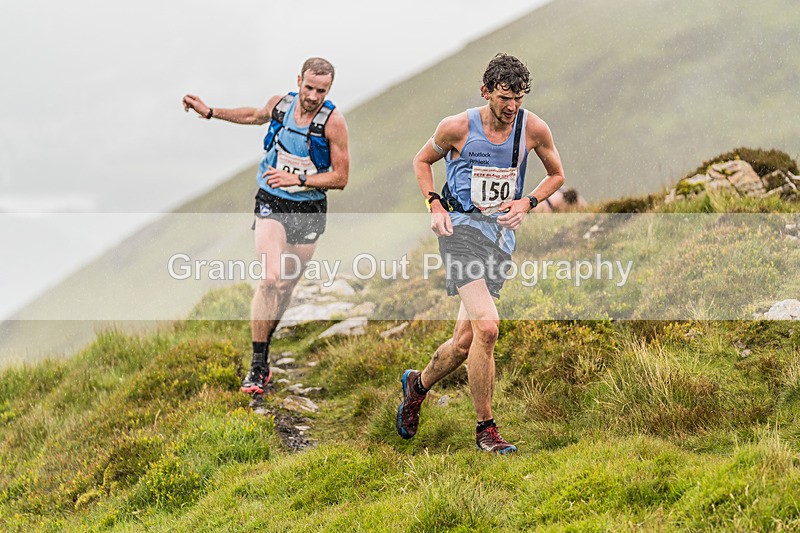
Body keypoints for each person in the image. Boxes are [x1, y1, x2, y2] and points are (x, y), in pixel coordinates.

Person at [397, 53, 565, 454]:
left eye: (519, 99)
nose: (511, 107)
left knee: (464, 340)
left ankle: (416, 385)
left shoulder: (533, 128)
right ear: (486, 91)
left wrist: (528, 202)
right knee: (488, 328)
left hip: (499, 239)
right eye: (504, 97)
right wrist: (434, 204)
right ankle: (486, 430)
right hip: (459, 232)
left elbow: (557, 175)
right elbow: (422, 161)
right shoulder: (457, 127)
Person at [182, 57, 350, 395]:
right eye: (309, 87)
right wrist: (210, 111)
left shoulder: (333, 123)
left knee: (286, 287)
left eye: (322, 90)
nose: (314, 96)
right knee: (270, 279)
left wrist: (298, 178)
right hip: (271, 200)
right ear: (298, 80)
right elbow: (253, 115)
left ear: (329, 89)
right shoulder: (281, 105)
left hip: (309, 208)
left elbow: (341, 177)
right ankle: (257, 366)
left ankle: (265, 348)